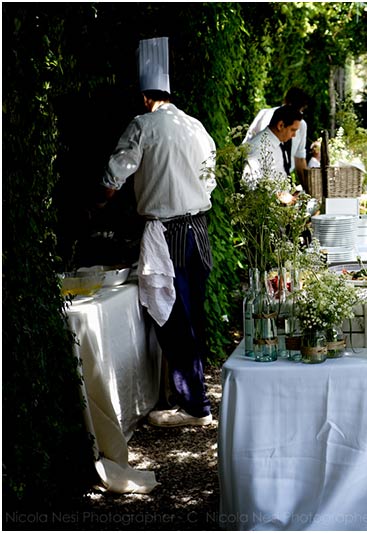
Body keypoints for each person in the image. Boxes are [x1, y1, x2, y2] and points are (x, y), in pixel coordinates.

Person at [99, 37, 217, 427]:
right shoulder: (195, 126)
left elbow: (113, 178)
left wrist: (101, 198)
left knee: (171, 318)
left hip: (166, 235)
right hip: (198, 230)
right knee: (191, 315)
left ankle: (194, 406)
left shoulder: (143, 125)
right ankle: (189, 396)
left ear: (146, 97)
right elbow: (210, 182)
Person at [244, 87, 311, 190]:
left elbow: (300, 158)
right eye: (293, 130)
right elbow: (248, 148)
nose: (294, 135)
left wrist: (307, 190)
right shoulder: (265, 116)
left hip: (282, 185)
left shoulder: (300, 125)